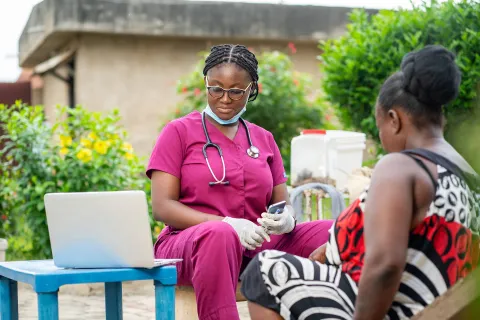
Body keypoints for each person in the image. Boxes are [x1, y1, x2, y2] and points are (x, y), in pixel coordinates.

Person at [241, 44, 480, 320]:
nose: (382, 139)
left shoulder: (402, 166)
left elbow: (386, 265)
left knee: (264, 269)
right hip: (439, 307)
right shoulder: (466, 174)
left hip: (396, 311)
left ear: (394, 120)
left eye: (379, 129)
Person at [146, 44, 333, 320]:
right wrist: (226, 224)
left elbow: (282, 204)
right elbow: (162, 207)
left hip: (259, 244)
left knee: (334, 231)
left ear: (251, 90)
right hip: (189, 245)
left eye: (236, 91)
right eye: (216, 88)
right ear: (206, 84)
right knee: (219, 236)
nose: (224, 98)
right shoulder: (179, 132)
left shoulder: (263, 138)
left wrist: (287, 220)